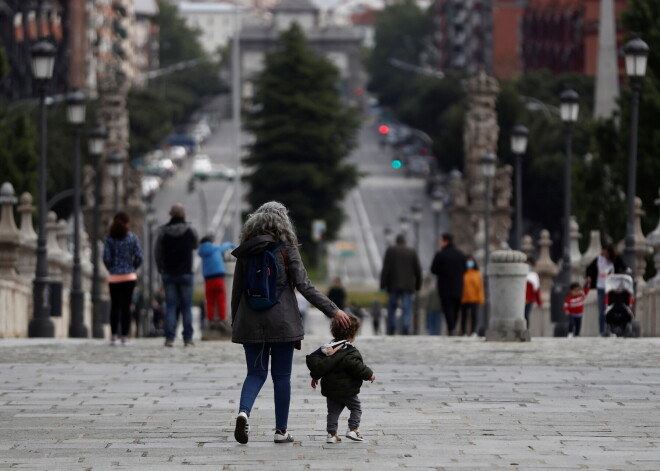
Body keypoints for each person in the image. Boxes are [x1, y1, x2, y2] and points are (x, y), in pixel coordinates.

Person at [230, 201, 351, 445]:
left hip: (250, 322)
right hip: (282, 323)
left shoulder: (245, 250)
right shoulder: (287, 249)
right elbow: (305, 287)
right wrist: (333, 310)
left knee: (255, 373)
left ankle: (244, 412)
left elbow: (236, 291)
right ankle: (281, 431)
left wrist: (236, 323)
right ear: (284, 222)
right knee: (281, 376)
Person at [306, 315, 375, 443]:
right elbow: (357, 367)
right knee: (356, 408)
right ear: (353, 333)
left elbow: (321, 366)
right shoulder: (349, 351)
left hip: (331, 389)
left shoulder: (328, 349)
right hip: (347, 390)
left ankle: (331, 435)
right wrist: (369, 374)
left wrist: (315, 377)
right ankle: (353, 430)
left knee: (333, 411)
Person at [154, 203, 199, 347]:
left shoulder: (163, 232)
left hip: (169, 272)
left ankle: (169, 337)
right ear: (183, 215)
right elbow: (196, 245)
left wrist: (160, 268)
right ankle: (188, 338)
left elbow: (157, 252)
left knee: (171, 306)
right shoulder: (190, 230)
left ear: (170, 215)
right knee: (186, 306)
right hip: (186, 272)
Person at [103, 212, 143, 346]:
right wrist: (132, 267)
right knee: (126, 307)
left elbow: (106, 258)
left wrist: (112, 268)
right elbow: (139, 257)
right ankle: (124, 337)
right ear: (127, 223)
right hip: (129, 276)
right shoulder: (132, 238)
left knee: (114, 306)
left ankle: (113, 336)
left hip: (114, 276)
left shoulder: (109, 238)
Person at [379, 234, 422, 335]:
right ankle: (405, 328)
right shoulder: (411, 252)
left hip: (393, 284)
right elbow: (418, 270)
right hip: (408, 285)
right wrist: (418, 285)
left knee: (392, 307)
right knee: (406, 308)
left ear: (396, 241)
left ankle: (391, 328)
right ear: (405, 241)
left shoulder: (391, 251)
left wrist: (382, 284)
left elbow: (386, 269)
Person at [585, 244, 627, 336]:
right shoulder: (599, 259)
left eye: (607, 252)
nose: (605, 254)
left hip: (612, 289)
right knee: (601, 310)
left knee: (611, 309)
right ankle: (602, 331)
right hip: (601, 287)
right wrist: (589, 276)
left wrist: (627, 270)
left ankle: (611, 329)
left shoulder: (615, 260)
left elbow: (623, 266)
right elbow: (589, 268)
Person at [430, 233, 467, 336]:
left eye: (441, 240)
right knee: (456, 308)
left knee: (448, 308)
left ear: (445, 241)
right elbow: (465, 269)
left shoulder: (440, 255)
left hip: (445, 286)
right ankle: (453, 326)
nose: (439, 242)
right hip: (458, 286)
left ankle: (451, 328)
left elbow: (433, 269)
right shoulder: (461, 255)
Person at [197, 234, 236, 327]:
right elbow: (226, 245)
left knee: (210, 300)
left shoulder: (201, 252)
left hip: (208, 280)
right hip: (218, 278)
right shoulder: (216, 249)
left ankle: (210, 320)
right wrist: (234, 246)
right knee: (221, 299)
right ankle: (222, 319)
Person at [460, 255, 484, 336]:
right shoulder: (463, 273)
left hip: (474, 298)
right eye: (468, 261)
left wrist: (481, 298)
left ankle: (473, 331)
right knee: (464, 316)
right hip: (464, 297)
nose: (469, 263)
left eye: (471, 261)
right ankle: (463, 331)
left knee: (474, 315)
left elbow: (480, 286)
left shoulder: (477, 273)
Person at [525, 256, 542, 329]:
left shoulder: (534, 276)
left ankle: (526, 329)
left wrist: (539, 302)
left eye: (529, 264)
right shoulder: (520, 274)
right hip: (519, 300)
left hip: (528, 300)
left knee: (525, 315)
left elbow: (536, 290)